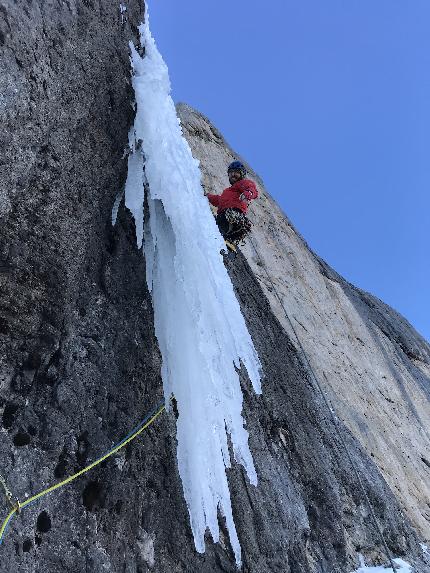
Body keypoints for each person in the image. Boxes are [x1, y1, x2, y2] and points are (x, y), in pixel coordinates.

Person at [205, 161, 258, 246]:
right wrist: (207, 196)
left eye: (236, 172)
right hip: (225, 217)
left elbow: (252, 189)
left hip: (232, 217)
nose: (233, 174)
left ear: (242, 174)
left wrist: (249, 193)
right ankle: (227, 241)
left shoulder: (242, 183)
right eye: (231, 172)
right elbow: (219, 200)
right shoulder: (229, 191)